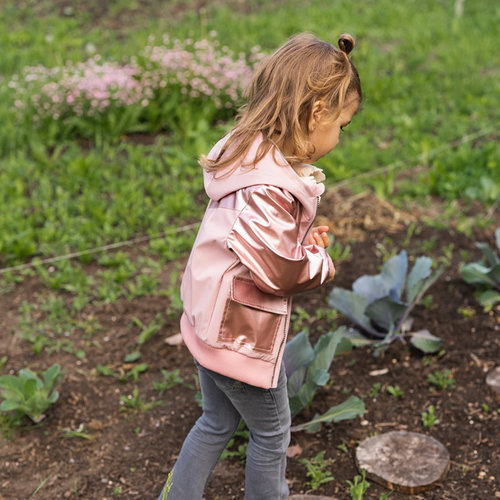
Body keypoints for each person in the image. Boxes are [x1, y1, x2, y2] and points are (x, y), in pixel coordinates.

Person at [158, 32, 362, 500]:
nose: (339, 136)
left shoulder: (247, 156)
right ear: (317, 114)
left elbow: (252, 242)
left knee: (216, 420)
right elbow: (278, 272)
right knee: (271, 435)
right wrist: (318, 260)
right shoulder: (270, 188)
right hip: (239, 337)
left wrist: (297, 239)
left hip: (207, 321)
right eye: (342, 126)